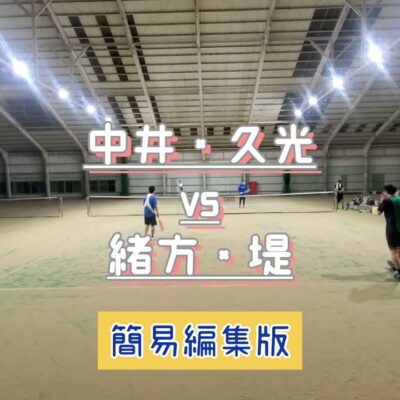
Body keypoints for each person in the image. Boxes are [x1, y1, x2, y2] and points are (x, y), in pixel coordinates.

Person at [377, 184, 400, 280]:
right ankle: (396, 263)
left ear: (386, 192)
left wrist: (382, 200)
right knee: (399, 249)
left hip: (392, 229)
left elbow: (378, 212)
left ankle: (398, 270)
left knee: (393, 251)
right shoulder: (399, 199)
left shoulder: (386, 201)